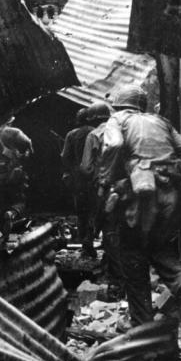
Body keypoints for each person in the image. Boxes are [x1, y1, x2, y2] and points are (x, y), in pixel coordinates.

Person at [98, 85, 181, 328]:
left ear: (119, 104)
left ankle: (143, 326)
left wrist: (105, 179)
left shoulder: (118, 119)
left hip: (141, 197)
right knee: (160, 246)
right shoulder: (160, 121)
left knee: (133, 255)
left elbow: (113, 145)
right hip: (172, 194)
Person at [79, 99, 124, 296]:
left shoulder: (94, 135)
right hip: (129, 185)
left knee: (108, 228)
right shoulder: (124, 129)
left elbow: (86, 167)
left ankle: (117, 278)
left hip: (105, 187)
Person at [0, 121, 33, 237]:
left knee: (1, 202)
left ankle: (3, 235)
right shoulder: (14, 132)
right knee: (19, 201)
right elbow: (28, 143)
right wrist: (26, 154)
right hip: (12, 173)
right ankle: (12, 214)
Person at [61, 107, 98, 258]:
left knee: (81, 211)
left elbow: (65, 157)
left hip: (78, 178)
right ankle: (91, 237)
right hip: (95, 176)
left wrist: (72, 169)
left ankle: (84, 242)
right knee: (95, 209)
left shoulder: (71, 134)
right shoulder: (96, 131)